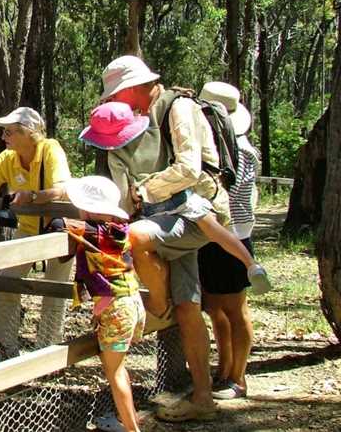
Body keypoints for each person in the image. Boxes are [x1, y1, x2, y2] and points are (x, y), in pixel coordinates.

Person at [96, 55, 218, 422]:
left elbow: (190, 168)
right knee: (189, 306)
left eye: (116, 95)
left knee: (134, 239)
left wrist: (144, 191)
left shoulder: (177, 108)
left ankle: (155, 312)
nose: (115, 102)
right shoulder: (139, 119)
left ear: (131, 88)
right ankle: (203, 397)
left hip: (195, 215)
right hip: (167, 216)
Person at [80, 102, 271, 296]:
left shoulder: (116, 156)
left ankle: (159, 299)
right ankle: (251, 264)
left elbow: (123, 195)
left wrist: (128, 210)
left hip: (152, 207)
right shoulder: (155, 137)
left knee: (142, 246)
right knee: (218, 232)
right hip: (183, 196)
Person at [0, 107, 72, 363]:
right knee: (7, 282)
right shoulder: (8, 158)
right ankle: (5, 346)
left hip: (58, 230)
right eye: (4, 132)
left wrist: (32, 197)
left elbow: (62, 189)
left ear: (28, 133)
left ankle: (47, 353)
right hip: (28, 230)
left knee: (54, 291)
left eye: (9, 132)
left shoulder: (50, 149)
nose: (4, 137)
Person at [49, 176, 146, 432]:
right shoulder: (119, 229)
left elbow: (61, 224)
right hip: (132, 302)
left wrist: (56, 225)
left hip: (117, 308)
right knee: (119, 367)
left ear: (89, 209)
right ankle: (131, 420)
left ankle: (132, 429)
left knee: (114, 374)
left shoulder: (96, 231)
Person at [197, 82, 260, 400]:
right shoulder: (204, 146)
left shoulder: (243, 152)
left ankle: (239, 377)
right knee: (214, 306)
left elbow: (237, 202)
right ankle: (223, 368)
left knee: (235, 309)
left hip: (234, 236)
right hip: (206, 236)